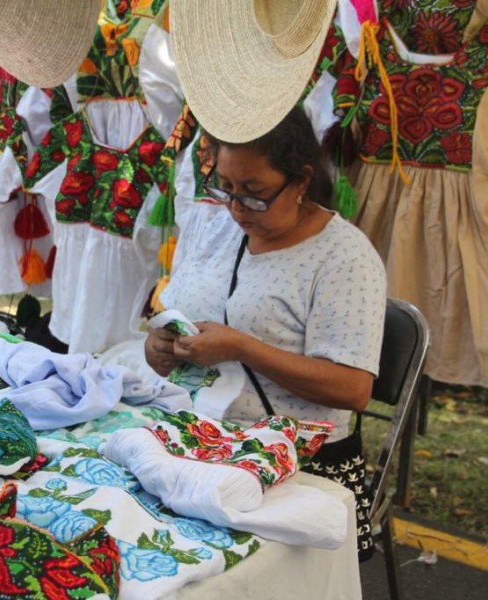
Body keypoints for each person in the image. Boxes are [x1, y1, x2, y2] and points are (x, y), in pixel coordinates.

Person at [144, 105, 386, 560]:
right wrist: (160, 345)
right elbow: (176, 307)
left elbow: (354, 389)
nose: (236, 207)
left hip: (297, 466)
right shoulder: (218, 226)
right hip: (201, 438)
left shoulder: (344, 258)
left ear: (300, 182)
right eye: (226, 187)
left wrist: (242, 348)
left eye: (254, 193)